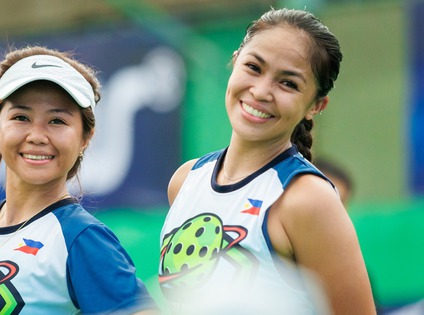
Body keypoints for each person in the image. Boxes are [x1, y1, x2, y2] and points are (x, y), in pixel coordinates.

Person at [0, 46, 159, 315]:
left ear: (86, 137)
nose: (37, 135)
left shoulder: (82, 239)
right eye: (21, 117)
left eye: (57, 120)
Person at [158, 8, 376, 315]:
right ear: (234, 61)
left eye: (288, 83)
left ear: (316, 105)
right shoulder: (185, 180)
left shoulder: (307, 199)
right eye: (253, 67)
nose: (261, 91)